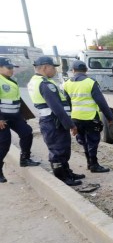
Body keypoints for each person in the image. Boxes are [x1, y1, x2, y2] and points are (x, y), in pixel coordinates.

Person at [27, 56, 85, 186]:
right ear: (45, 67)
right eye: (53, 67)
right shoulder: (45, 84)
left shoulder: (35, 81)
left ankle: (67, 172)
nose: (55, 70)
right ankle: (62, 177)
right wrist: (71, 125)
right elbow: (57, 108)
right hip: (54, 122)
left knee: (62, 149)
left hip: (51, 121)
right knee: (58, 150)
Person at [63, 60, 113, 173]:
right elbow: (101, 102)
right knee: (92, 141)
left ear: (73, 71)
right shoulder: (90, 82)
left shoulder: (66, 84)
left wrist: (70, 122)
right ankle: (94, 165)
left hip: (76, 117)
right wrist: (110, 117)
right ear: (86, 70)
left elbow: (67, 103)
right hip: (90, 117)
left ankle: (89, 163)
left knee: (84, 141)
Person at [0, 57, 41, 183]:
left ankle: (25, 159)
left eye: (12, 68)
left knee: (27, 133)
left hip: (15, 116)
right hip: (2, 118)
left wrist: (23, 115)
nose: (12, 70)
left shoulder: (11, 81)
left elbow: (17, 100)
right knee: (4, 144)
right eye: (9, 68)